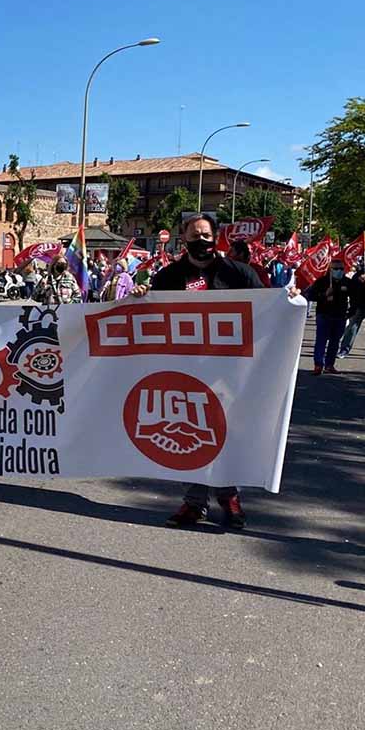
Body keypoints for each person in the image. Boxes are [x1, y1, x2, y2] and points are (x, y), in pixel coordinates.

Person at [131, 213, 264, 529]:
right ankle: (194, 504)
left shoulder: (239, 274)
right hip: (185, 371)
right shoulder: (169, 277)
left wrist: (290, 300)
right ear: (183, 237)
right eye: (194, 235)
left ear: (215, 237)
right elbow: (149, 315)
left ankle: (230, 499)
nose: (201, 240)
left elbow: (267, 307)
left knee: (225, 435)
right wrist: (140, 297)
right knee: (189, 434)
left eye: (206, 235)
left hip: (229, 373)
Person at [303, 256, 351, 375]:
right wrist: (324, 295)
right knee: (321, 340)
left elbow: (356, 297)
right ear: (330, 269)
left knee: (335, 342)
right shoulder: (322, 281)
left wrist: (350, 313)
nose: (339, 271)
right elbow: (310, 295)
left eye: (341, 268)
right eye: (336, 269)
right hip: (324, 315)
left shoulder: (347, 282)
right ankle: (318, 365)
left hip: (340, 316)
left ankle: (330, 365)